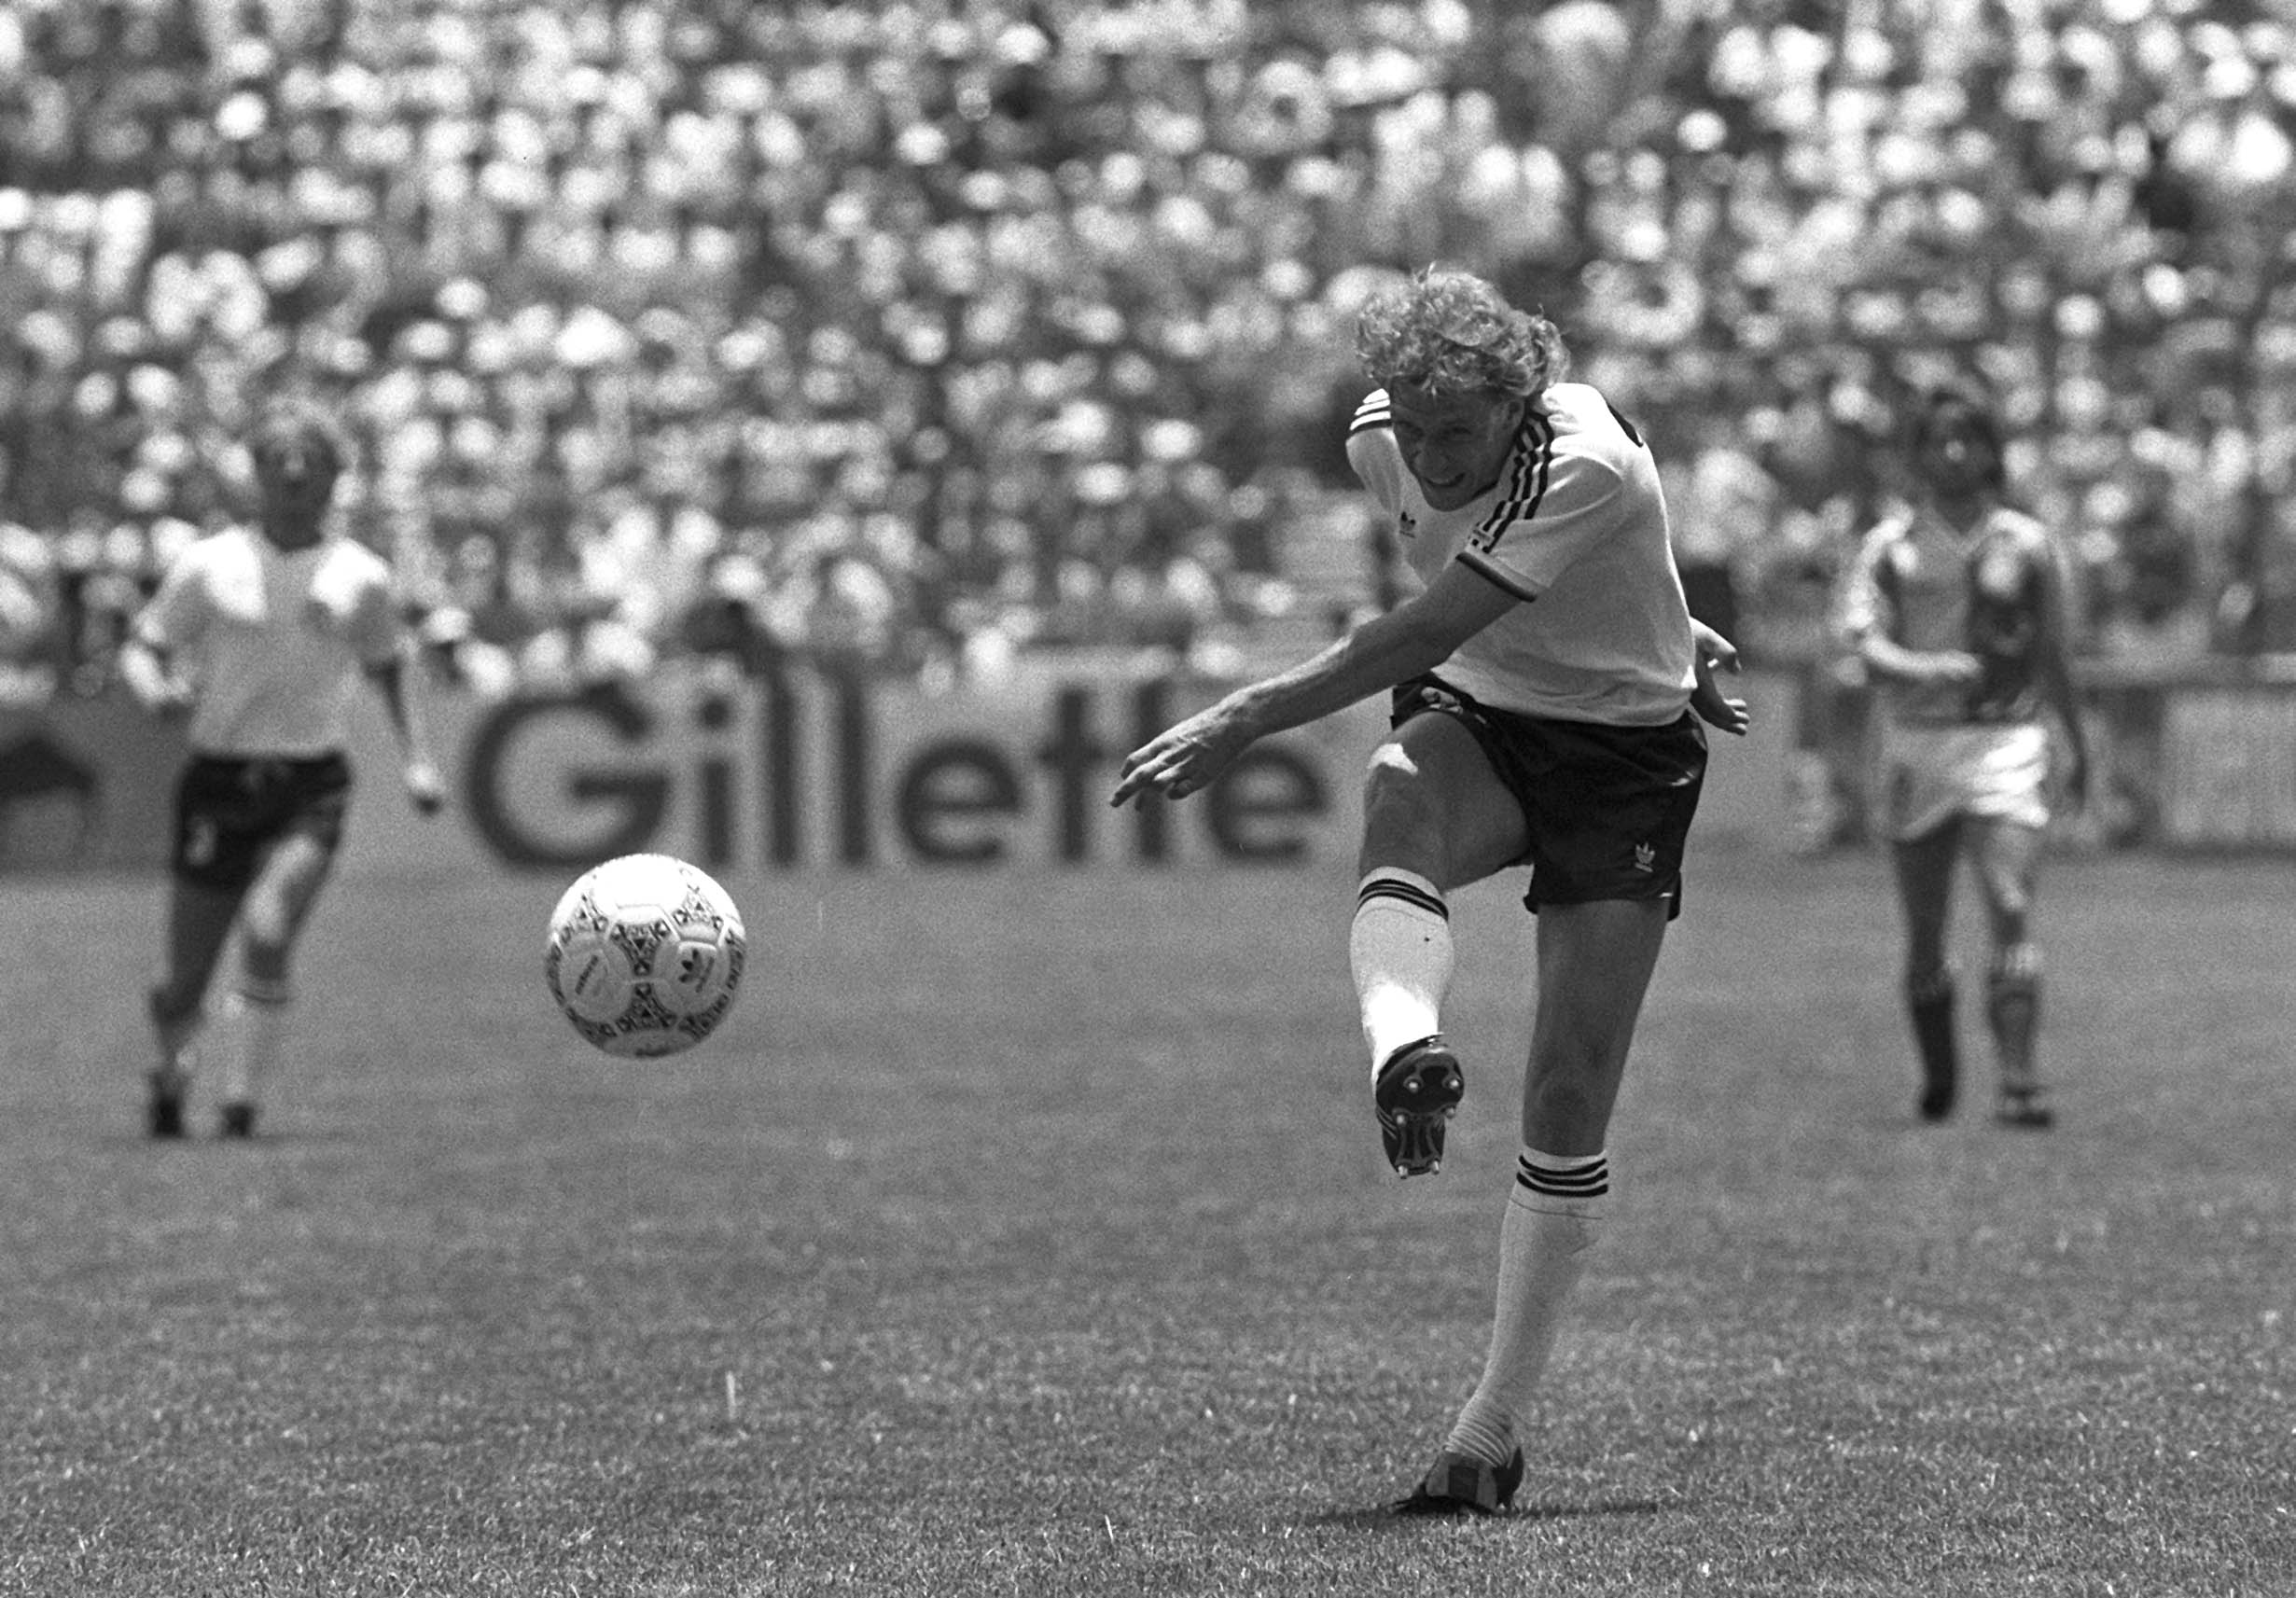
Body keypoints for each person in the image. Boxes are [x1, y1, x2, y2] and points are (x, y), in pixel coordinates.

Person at [1110, 266, 1748, 1515]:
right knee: (1401, 780)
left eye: (1455, 431)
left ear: (1521, 403)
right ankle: (1406, 1046)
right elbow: (1466, 626)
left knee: (1569, 1092)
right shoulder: (1380, 438)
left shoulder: (1581, 460)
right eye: (1411, 426)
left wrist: (1242, 715)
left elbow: (1412, 631)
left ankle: (1489, 1431)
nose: (1429, 455)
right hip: (1493, 717)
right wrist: (1674, 623)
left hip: (1623, 755)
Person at [118, 398, 445, 1140]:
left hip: (309, 782)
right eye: (278, 460)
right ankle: (172, 1075)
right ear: (256, 474)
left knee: (267, 930)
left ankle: (241, 1104)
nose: (294, 474)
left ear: (336, 476)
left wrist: (418, 760)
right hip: (218, 780)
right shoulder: (210, 564)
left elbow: (389, 665)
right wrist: (153, 688)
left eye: (312, 461)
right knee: (184, 979)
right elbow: (145, 644)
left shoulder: (361, 576)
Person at [1837, 385, 2089, 1130]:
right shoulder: (1888, 545)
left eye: (1966, 439)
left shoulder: (2028, 541)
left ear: (1989, 449)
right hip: (1917, 740)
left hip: (2006, 737)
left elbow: (2052, 651)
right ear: (1914, 455)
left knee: (2010, 903)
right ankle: (1939, 1074)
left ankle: (2019, 1079)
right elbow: (1861, 637)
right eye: (1937, 441)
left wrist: (2075, 740)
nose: (1953, 453)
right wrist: (1918, 668)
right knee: (1924, 929)